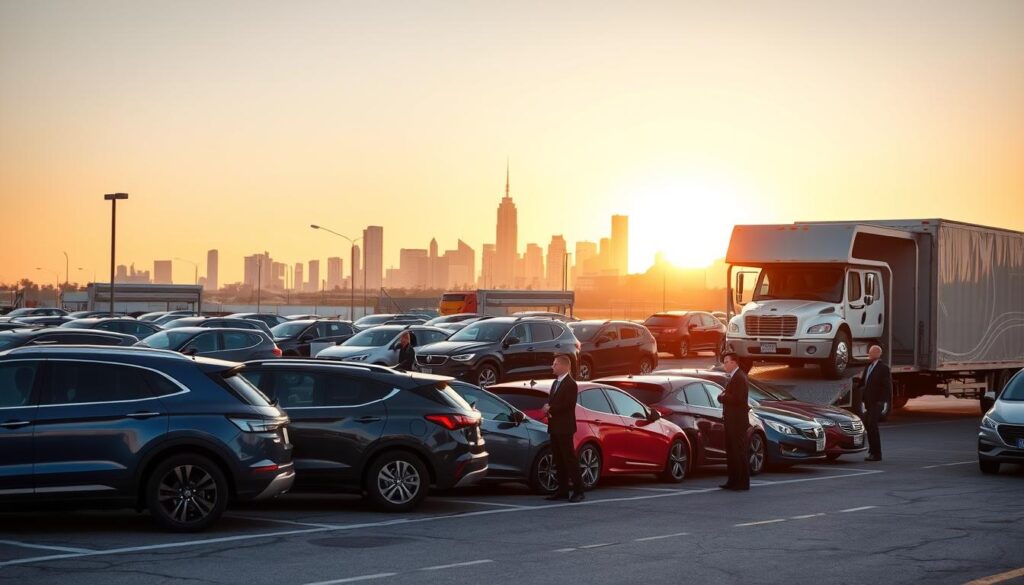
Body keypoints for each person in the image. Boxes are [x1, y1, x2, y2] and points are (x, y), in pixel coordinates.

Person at [542, 354, 585, 503]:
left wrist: (550, 408)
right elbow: (553, 401)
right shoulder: (555, 383)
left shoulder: (571, 384)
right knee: (558, 459)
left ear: (564, 366)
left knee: (569, 459)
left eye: (555, 364)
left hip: (565, 428)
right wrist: (547, 408)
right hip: (554, 427)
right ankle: (562, 490)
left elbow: (568, 405)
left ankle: (579, 490)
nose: (552, 367)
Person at [717, 352, 751, 491]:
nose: (724, 365)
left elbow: (738, 399)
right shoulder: (734, 377)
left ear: (734, 362)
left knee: (738, 452)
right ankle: (732, 480)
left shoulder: (739, 377)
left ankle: (742, 482)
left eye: (726, 362)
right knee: (731, 452)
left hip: (737, 422)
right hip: (731, 421)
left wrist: (722, 397)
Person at [858, 345, 890, 461]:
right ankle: (872, 451)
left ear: (877, 354)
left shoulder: (883, 369)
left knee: (872, 426)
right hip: (868, 402)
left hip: (877, 402)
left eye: (871, 353)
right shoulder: (868, 367)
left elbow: (887, 387)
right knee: (868, 425)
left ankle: (877, 454)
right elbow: (863, 383)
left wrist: (883, 403)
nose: (869, 355)